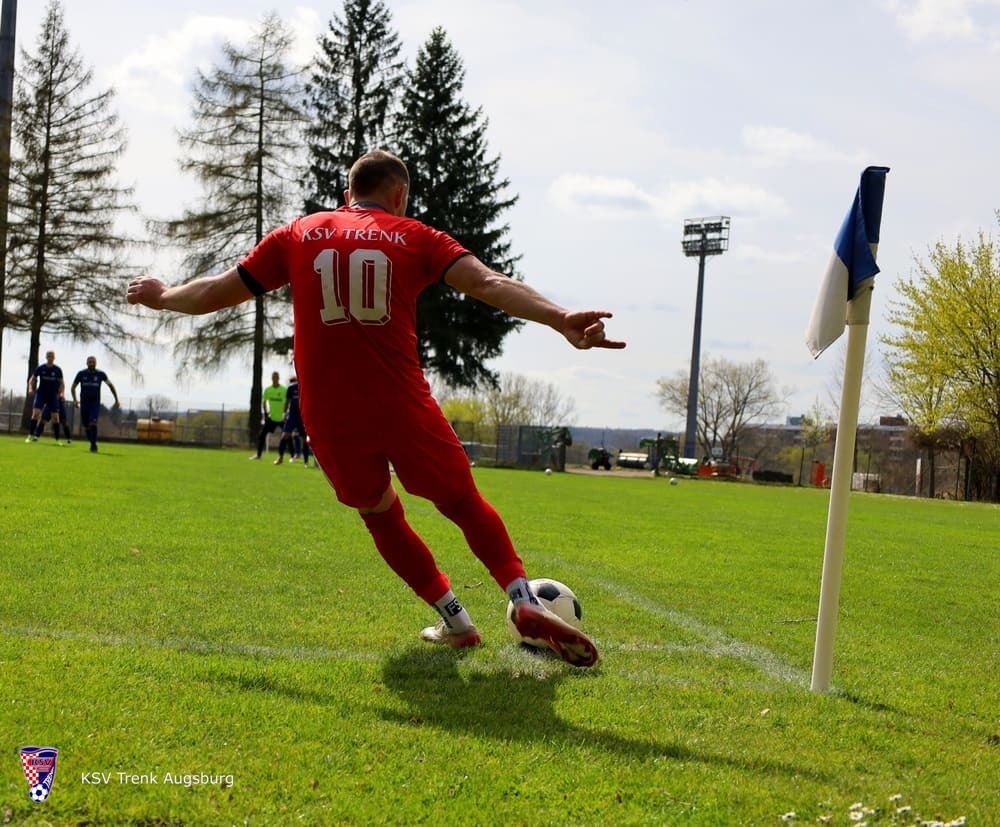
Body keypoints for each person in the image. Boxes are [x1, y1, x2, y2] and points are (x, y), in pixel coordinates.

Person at [127, 149, 625, 667]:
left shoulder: (299, 233)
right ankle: (522, 598)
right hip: (401, 402)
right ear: (400, 197)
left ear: (348, 194)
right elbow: (489, 284)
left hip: (330, 413)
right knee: (462, 502)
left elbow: (216, 291)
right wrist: (561, 317)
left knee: (379, 513)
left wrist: (163, 296)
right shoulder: (418, 237)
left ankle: (456, 620)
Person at [71, 356, 121, 453]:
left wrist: (116, 399)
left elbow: (110, 386)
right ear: (87, 363)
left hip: (95, 404)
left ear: (96, 363)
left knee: (93, 422)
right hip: (84, 403)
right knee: (86, 425)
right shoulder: (81, 374)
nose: (91, 363)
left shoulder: (101, 374)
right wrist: (75, 400)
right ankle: (92, 442)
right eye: (90, 362)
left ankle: (93, 445)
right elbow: (73, 387)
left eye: (93, 362)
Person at [26, 350, 65, 443]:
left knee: (55, 417)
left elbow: (62, 383)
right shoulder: (41, 368)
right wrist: (30, 388)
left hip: (52, 396)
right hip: (41, 394)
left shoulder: (57, 370)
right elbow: (32, 379)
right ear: (46, 357)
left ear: (54, 357)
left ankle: (57, 439)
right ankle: (30, 435)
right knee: (35, 413)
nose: (50, 357)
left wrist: (62, 393)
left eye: (51, 356)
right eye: (48, 356)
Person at [274, 375, 311, 467]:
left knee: (304, 438)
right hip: (292, 415)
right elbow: (287, 401)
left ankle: (306, 462)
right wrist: (284, 413)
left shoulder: (305, 386)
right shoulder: (291, 387)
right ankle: (280, 457)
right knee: (285, 435)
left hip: (302, 416)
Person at [250, 371, 285, 460]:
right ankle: (258, 455)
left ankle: (293, 455)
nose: (275, 378)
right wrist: (265, 414)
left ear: (279, 378)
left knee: (287, 436)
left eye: (276, 377)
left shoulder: (284, 390)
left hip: (282, 418)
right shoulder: (268, 390)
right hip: (271, 418)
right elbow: (264, 402)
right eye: (273, 377)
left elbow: (287, 402)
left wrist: (285, 414)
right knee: (262, 435)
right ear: (271, 378)